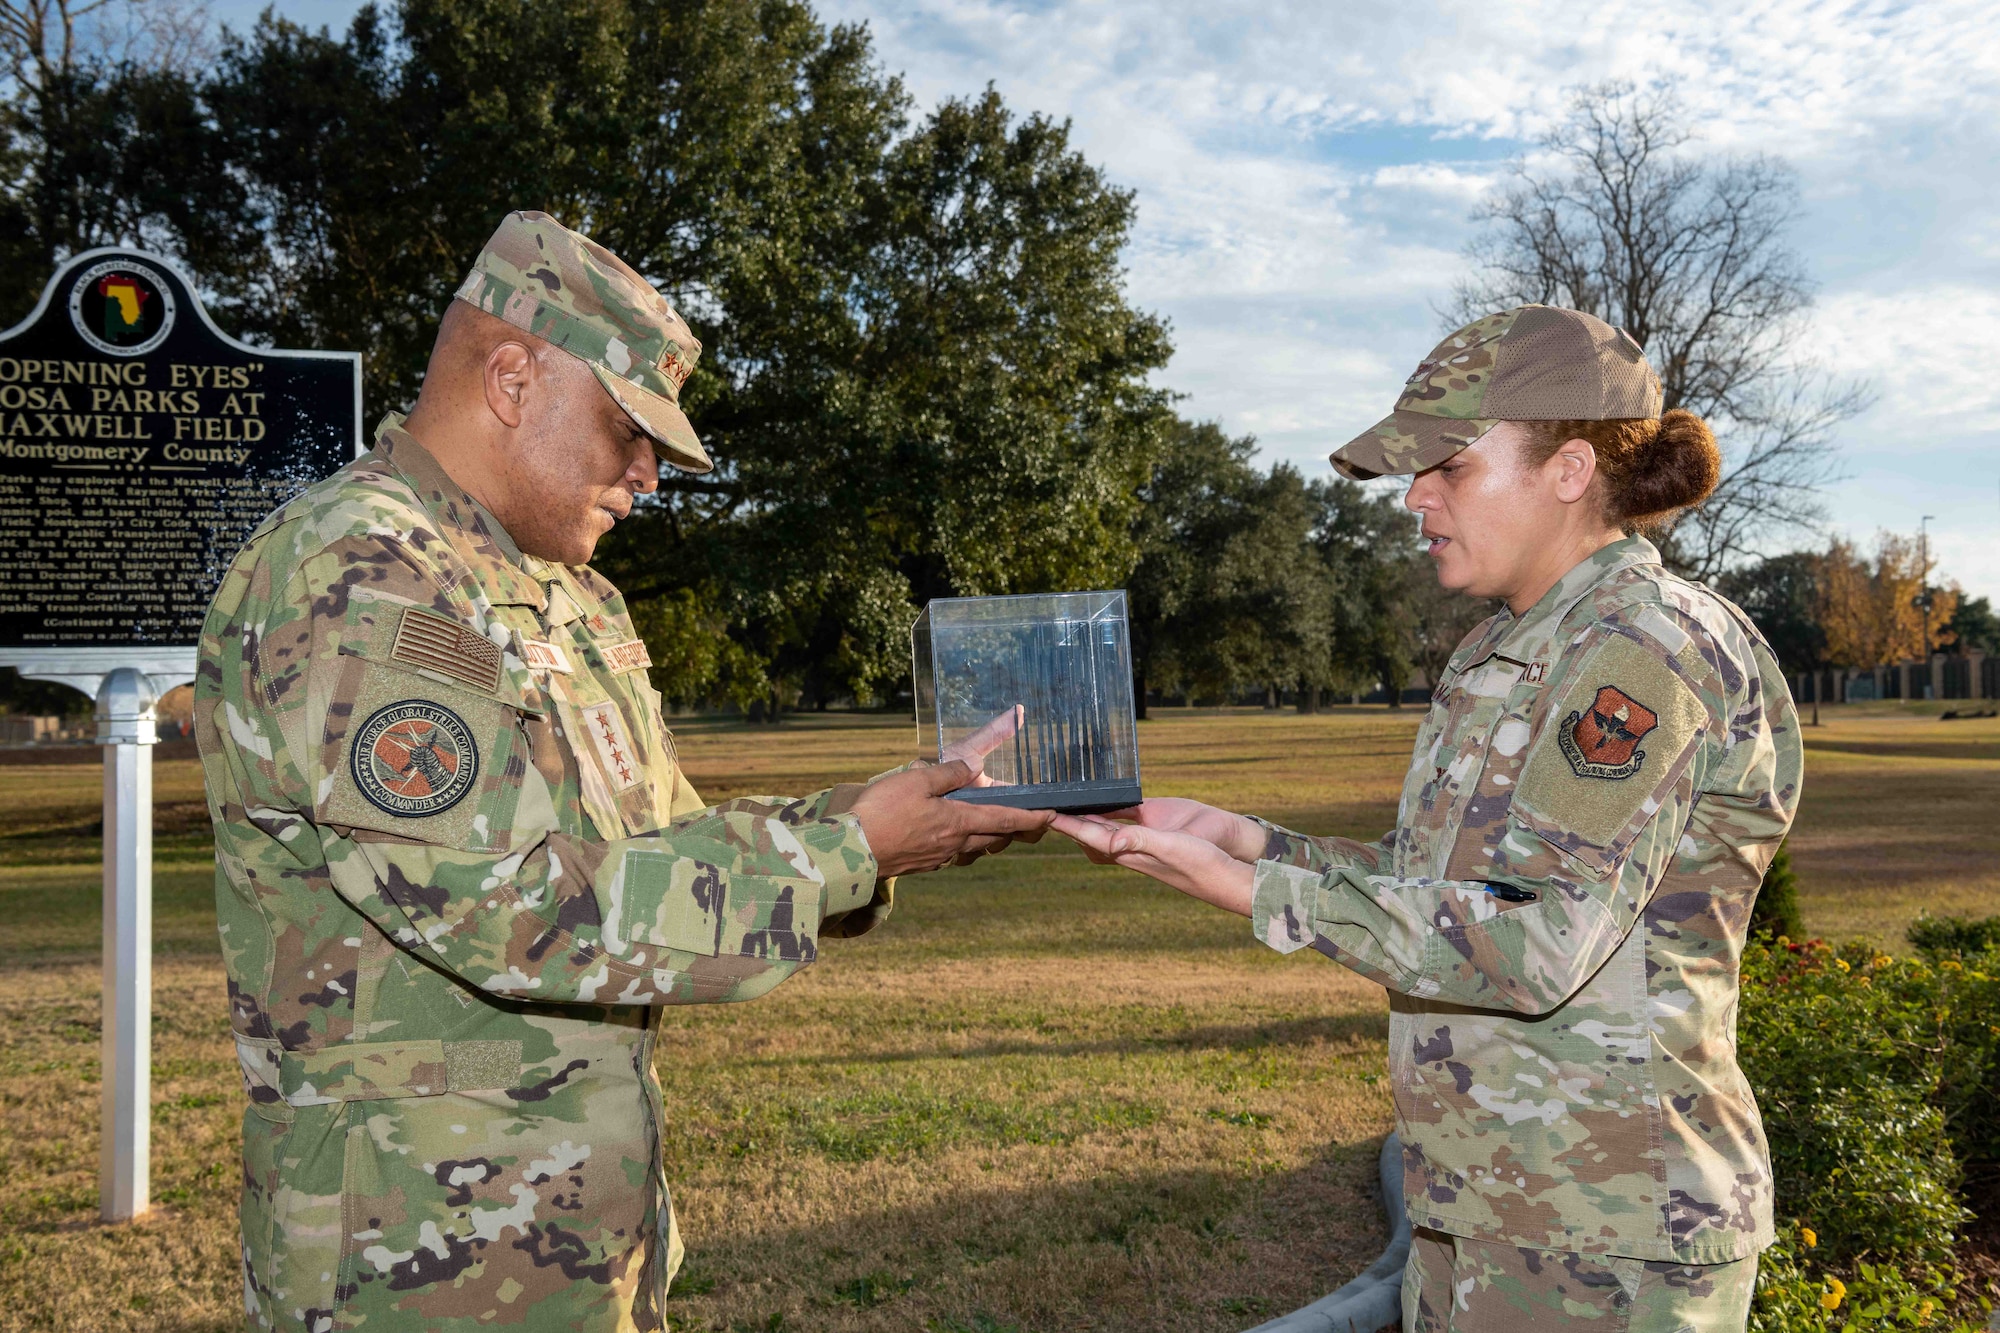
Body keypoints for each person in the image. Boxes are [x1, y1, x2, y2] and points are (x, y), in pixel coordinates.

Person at [194, 210, 1049, 1333]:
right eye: (625, 432)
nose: (648, 475)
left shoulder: (566, 594)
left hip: (568, 1237)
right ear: (511, 377)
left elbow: (656, 842)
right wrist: (845, 855)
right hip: (411, 1266)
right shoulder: (362, 574)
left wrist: (887, 817)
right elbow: (502, 906)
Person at [1056, 306, 1801, 1332]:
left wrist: (1257, 892)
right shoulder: (1498, 653)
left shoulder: (1644, 650)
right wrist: (1248, 840)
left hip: (1606, 1240)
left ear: (1569, 470)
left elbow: (1536, 936)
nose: (1414, 495)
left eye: (1445, 464)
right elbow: (1430, 881)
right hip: (1486, 1207)